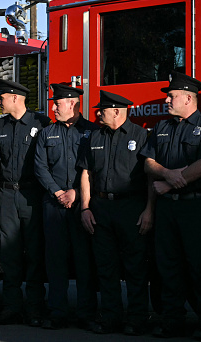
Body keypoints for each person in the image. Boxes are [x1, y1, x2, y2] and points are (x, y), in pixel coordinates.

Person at [140, 71, 201, 340]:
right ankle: (172, 321)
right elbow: (148, 163)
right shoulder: (162, 127)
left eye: (172, 96)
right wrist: (169, 175)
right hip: (167, 209)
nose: (167, 101)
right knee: (167, 266)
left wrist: (173, 181)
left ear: (188, 98)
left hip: (197, 209)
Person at [78, 90, 153, 335]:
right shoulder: (94, 136)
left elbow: (151, 177)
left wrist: (149, 210)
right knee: (106, 266)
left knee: (135, 267)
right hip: (101, 208)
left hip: (131, 207)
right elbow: (86, 174)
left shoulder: (140, 136)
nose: (98, 113)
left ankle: (137, 319)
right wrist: (86, 207)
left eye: (103, 110)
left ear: (118, 111)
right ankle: (110, 318)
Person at [34, 83, 98, 330]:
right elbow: (40, 167)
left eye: (57, 103)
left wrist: (75, 192)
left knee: (84, 260)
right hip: (54, 205)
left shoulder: (92, 131)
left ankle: (87, 313)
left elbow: (94, 168)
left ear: (72, 103)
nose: (53, 107)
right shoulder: (46, 133)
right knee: (56, 260)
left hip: (83, 205)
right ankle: (57, 311)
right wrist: (59, 191)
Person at [0, 80, 50, 326]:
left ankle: (35, 309)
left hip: (31, 196)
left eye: (2, 97)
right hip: (6, 196)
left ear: (15, 98)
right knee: (9, 255)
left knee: (35, 253)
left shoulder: (41, 123)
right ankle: (12, 307)